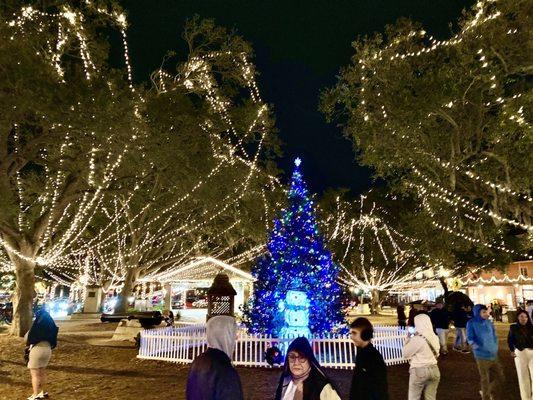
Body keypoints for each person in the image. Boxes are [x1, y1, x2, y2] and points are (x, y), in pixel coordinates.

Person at [186, 315, 243, 400]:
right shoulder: (224, 369)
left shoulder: (198, 361)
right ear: (226, 335)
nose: (236, 338)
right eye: (233, 333)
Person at [274, 336, 340, 400]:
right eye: (292, 357)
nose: (296, 363)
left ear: (309, 360)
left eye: (302, 357)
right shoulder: (285, 381)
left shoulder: (323, 388)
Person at [467, 304, 504, 400]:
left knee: (501, 377)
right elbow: (470, 338)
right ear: (477, 313)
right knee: (485, 379)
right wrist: (477, 348)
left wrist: (495, 346)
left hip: (493, 354)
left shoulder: (489, 322)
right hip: (481, 356)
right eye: (483, 312)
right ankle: (486, 397)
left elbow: (494, 335)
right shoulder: (471, 323)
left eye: (486, 311)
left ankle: (485, 391)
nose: (486, 314)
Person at [349, 317, 389, 400]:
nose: (351, 337)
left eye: (354, 333)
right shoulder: (362, 352)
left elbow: (380, 388)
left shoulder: (373, 357)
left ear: (365, 334)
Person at [403, 313, 440, 400]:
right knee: (431, 397)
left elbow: (405, 353)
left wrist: (408, 338)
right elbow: (437, 353)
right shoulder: (435, 337)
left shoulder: (417, 339)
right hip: (434, 369)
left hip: (419, 370)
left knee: (414, 397)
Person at [25, 308, 58, 400]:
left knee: (35, 374)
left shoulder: (36, 326)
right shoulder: (51, 326)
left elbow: (27, 338)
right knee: (42, 372)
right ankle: (44, 392)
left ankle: (35, 395)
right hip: (48, 350)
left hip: (37, 349)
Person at [507, 309, 533, 400]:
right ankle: (526, 398)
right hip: (520, 353)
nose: (524, 319)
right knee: (523, 377)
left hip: (531, 353)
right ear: (517, 317)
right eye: (521, 316)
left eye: (526, 317)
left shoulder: (531, 327)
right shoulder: (513, 327)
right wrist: (511, 350)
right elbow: (510, 340)